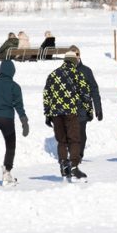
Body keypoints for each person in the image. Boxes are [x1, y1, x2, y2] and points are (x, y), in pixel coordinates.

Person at [43, 48, 94, 180]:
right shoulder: (77, 74)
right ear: (74, 61)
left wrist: (47, 114)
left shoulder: (53, 74)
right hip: (70, 112)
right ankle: (74, 166)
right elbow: (85, 95)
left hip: (55, 113)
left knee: (61, 141)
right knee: (74, 139)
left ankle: (63, 164)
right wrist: (89, 111)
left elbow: (46, 95)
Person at [67, 45, 104, 143]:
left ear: (79, 55)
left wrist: (98, 109)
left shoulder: (86, 71)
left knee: (81, 134)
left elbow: (94, 90)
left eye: (76, 54)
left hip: (83, 109)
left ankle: (78, 151)